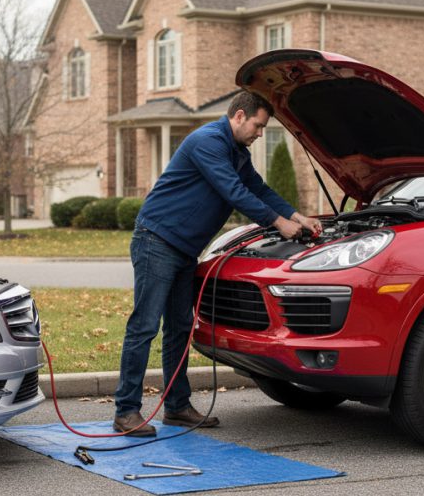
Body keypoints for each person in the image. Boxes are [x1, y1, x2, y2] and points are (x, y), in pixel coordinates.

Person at [113, 91, 322, 436]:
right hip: (157, 240)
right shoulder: (207, 142)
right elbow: (234, 193)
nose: (260, 133)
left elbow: (259, 189)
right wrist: (279, 223)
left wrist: (299, 216)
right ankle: (125, 411)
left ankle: (177, 407)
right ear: (239, 116)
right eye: (258, 126)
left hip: (182, 248)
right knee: (145, 325)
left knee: (179, 328)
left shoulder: (238, 153)